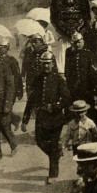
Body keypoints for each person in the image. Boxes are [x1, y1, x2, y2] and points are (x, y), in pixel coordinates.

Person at [21, 51, 70, 184]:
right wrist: (25, 120)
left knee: (53, 145)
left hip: (55, 118)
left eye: (48, 63)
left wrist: (55, 106)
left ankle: (53, 174)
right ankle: (56, 154)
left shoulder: (59, 79)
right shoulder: (37, 79)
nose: (46, 66)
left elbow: (67, 99)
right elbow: (31, 100)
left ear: (53, 63)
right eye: (44, 64)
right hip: (41, 117)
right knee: (40, 141)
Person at [64, 32, 97, 107]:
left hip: (86, 87)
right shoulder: (69, 52)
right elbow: (67, 70)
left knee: (88, 108)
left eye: (79, 42)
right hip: (73, 87)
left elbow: (93, 73)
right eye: (75, 43)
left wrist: (96, 91)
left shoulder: (88, 53)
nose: (77, 45)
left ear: (83, 41)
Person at [0, 36, 23, 130]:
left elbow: (17, 76)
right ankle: (15, 119)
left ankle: (7, 132)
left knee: (7, 110)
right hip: (0, 90)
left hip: (11, 90)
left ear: (7, 48)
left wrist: (19, 90)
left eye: (1, 47)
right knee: (1, 109)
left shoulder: (12, 61)